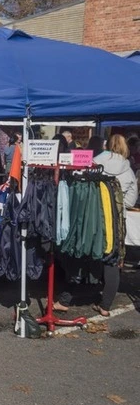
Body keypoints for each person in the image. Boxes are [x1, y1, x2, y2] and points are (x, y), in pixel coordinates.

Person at [90, 134, 138, 317]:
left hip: (93, 216)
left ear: (108, 145)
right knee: (112, 259)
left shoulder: (95, 163)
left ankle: (65, 298)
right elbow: (131, 200)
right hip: (116, 219)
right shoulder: (128, 170)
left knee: (87, 253)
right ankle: (105, 305)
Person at [94, 134, 138, 209]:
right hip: (117, 213)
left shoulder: (93, 164)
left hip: (94, 209)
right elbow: (131, 201)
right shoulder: (129, 171)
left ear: (106, 145)